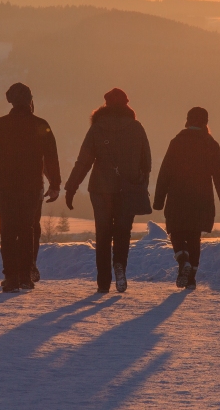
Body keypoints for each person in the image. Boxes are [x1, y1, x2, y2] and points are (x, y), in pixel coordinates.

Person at [65, 88, 151, 293]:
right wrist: (141, 186)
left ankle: (103, 282)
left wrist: (71, 187)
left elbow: (83, 161)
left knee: (103, 234)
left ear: (105, 105)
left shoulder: (97, 129)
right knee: (122, 233)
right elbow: (146, 162)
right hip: (128, 189)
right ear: (126, 105)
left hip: (100, 190)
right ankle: (120, 266)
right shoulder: (137, 128)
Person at [0, 83, 60, 293]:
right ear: (29, 101)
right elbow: (51, 157)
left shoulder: (0, 125)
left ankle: (11, 277)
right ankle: (26, 275)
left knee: (7, 231)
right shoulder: (40, 124)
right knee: (28, 229)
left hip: (7, 186)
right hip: (32, 187)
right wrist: (55, 184)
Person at [153, 107, 220, 289]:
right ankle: (191, 279)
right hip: (201, 199)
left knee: (176, 231)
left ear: (187, 121)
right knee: (194, 236)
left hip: (177, 197)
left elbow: (165, 172)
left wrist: (159, 200)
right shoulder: (211, 144)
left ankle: (182, 261)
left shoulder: (177, 142)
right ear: (205, 123)